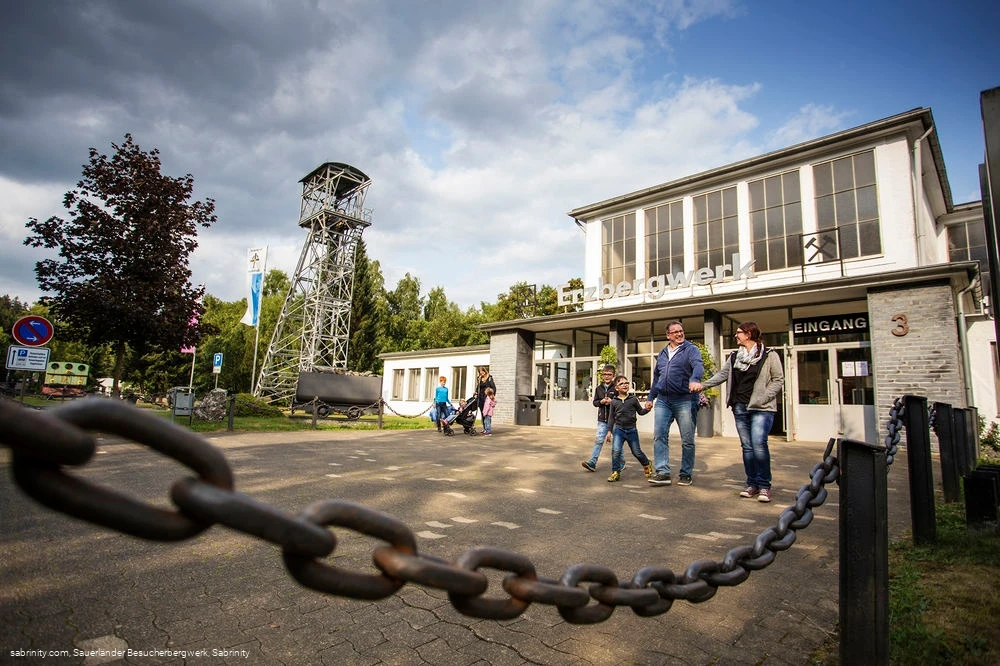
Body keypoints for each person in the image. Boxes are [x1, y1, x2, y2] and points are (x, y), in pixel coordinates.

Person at [692, 321, 784, 502]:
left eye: (739, 333)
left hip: (761, 408)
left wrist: (764, 398)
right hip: (740, 406)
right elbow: (722, 375)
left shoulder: (769, 355)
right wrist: (702, 385)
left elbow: (778, 380)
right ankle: (752, 484)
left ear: (749, 334)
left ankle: (764, 486)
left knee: (758, 444)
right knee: (747, 447)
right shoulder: (735, 357)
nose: (736, 336)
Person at [644, 320, 704, 487]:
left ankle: (686, 473)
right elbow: (657, 377)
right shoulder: (662, 353)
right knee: (659, 435)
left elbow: (698, 366)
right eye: (675, 332)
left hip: (684, 399)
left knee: (687, 439)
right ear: (668, 335)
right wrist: (650, 398)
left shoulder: (691, 350)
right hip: (663, 400)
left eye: (681, 331)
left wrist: (694, 379)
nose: (679, 334)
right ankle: (662, 472)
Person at [607, 375, 654, 482]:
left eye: (626, 383)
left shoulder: (633, 399)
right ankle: (615, 472)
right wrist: (609, 431)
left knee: (636, 452)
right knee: (616, 451)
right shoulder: (614, 402)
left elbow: (640, 412)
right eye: (621, 383)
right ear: (616, 388)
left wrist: (647, 409)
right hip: (619, 430)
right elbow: (611, 417)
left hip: (631, 430)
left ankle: (646, 463)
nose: (624, 385)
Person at [581, 364, 617, 472]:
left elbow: (621, 401)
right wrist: (601, 402)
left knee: (617, 443)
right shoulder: (598, 388)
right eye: (605, 374)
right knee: (599, 440)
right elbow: (595, 402)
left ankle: (620, 462)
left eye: (609, 375)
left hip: (615, 420)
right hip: (602, 420)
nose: (606, 377)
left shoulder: (616, 388)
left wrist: (612, 402)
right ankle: (592, 462)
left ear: (613, 376)